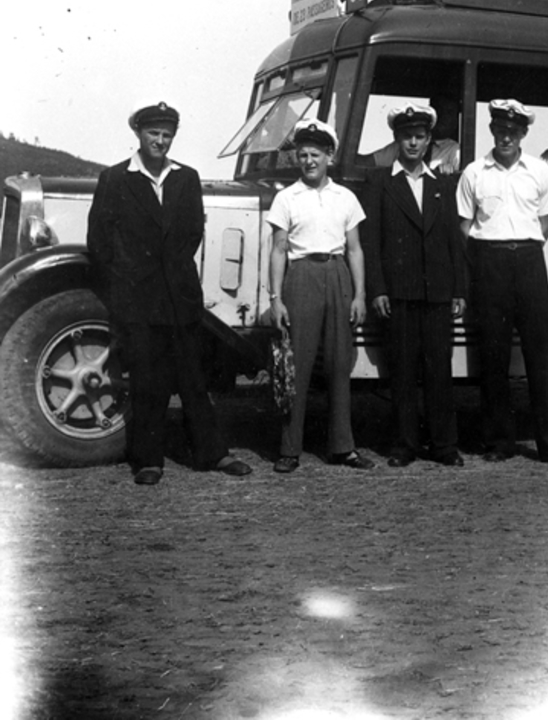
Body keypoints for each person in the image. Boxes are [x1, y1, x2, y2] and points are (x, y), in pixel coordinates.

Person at [87, 102, 253, 485]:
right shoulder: (115, 178)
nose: (160, 141)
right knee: (147, 380)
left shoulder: (186, 178)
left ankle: (214, 454)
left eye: (166, 135)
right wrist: (128, 280)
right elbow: (100, 242)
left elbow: (192, 232)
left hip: (179, 296)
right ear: (139, 134)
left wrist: (172, 273)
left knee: (193, 378)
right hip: (138, 299)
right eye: (153, 134)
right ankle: (149, 460)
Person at [457, 99, 548, 465]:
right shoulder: (474, 173)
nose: (506, 136)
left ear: (524, 133)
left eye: (513, 131)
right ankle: (499, 443)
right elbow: (464, 226)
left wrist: (520, 246)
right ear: (492, 131)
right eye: (500, 130)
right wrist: (490, 253)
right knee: (493, 356)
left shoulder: (539, 171)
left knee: (541, 353)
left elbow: (545, 222)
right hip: (489, 262)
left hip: (528, 261)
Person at [361, 103, 468, 468]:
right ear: (396, 139)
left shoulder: (443, 184)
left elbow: (454, 240)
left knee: (440, 369)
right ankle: (405, 445)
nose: (413, 144)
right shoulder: (380, 182)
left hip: (437, 293)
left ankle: (444, 446)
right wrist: (377, 289)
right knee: (403, 371)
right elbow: (370, 241)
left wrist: (459, 290)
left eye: (420, 137)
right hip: (400, 293)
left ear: (428, 142)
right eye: (407, 137)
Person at [266, 119, 375, 473]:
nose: (309, 161)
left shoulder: (346, 198)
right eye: (303, 155)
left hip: (338, 274)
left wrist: (359, 295)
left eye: (315, 154)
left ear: (330, 155)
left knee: (339, 363)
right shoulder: (286, 197)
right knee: (296, 366)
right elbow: (279, 250)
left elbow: (356, 249)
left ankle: (342, 447)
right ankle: (289, 448)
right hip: (301, 278)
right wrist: (276, 299)